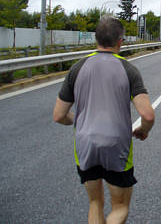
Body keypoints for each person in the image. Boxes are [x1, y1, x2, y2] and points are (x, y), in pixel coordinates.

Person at [53, 15, 155, 223]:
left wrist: (80, 121)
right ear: (120, 41)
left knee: (95, 203)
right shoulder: (129, 70)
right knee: (119, 206)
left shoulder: (77, 68)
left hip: (85, 144)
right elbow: (147, 114)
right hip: (117, 145)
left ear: (96, 39)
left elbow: (59, 115)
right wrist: (143, 130)